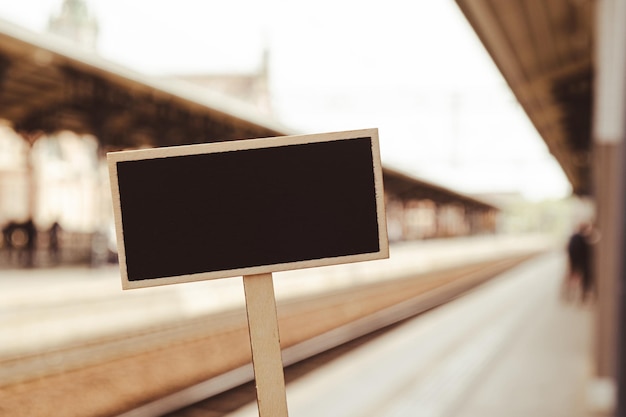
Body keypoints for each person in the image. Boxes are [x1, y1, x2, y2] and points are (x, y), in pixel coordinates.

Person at [565, 223, 593, 303]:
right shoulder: (581, 239)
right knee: (578, 280)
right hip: (579, 263)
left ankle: (570, 295)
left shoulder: (575, 237)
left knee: (573, 279)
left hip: (574, 262)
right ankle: (576, 296)